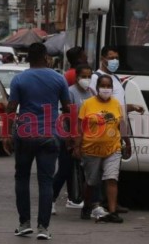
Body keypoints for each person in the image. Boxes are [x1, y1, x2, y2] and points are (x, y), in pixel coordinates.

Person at [2, 43, 70, 240]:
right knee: (46, 181)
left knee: (22, 178)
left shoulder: (19, 79)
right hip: (50, 136)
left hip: (25, 136)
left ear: (28, 58)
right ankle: (43, 228)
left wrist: (6, 134)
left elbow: (11, 108)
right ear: (46, 57)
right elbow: (67, 109)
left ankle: (24, 224)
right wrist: (72, 135)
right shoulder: (59, 79)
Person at [74, 74, 131, 223]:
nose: (106, 89)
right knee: (91, 182)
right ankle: (87, 205)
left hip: (113, 148)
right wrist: (77, 146)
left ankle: (112, 212)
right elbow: (80, 127)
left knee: (111, 179)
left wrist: (128, 142)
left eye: (108, 86)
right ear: (97, 88)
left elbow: (122, 125)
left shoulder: (117, 104)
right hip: (91, 149)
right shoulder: (88, 104)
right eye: (103, 86)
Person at [52, 63, 93, 215]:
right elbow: (68, 116)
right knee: (64, 170)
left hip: (86, 137)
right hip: (69, 137)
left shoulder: (92, 93)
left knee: (86, 171)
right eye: (84, 76)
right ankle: (51, 199)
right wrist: (72, 136)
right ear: (76, 78)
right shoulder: (70, 93)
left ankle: (86, 202)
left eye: (89, 76)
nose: (86, 79)